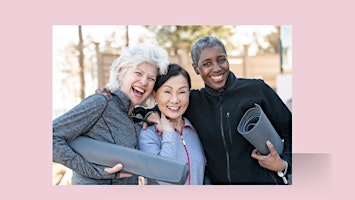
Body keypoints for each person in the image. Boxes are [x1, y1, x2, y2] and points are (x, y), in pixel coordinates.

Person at [96, 36, 292, 185]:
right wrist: (114, 97)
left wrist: (284, 165)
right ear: (196, 68)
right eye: (207, 63)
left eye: (221, 60)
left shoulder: (256, 90)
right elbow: (160, 105)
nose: (216, 68)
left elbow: (292, 130)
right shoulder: (194, 101)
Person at [52, 43, 169, 185]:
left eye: (151, 78)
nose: (144, 82)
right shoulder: (101, 102)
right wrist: (94, 171)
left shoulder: (137, 117)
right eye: (138, 73)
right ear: (122, 71)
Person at [138, 63, 206, 185]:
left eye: (182, 92)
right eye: (167, 92)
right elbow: (163, 174)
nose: (175, 100)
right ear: (155, 95)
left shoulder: (195, 129)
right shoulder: (148, 134)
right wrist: (169, 133)